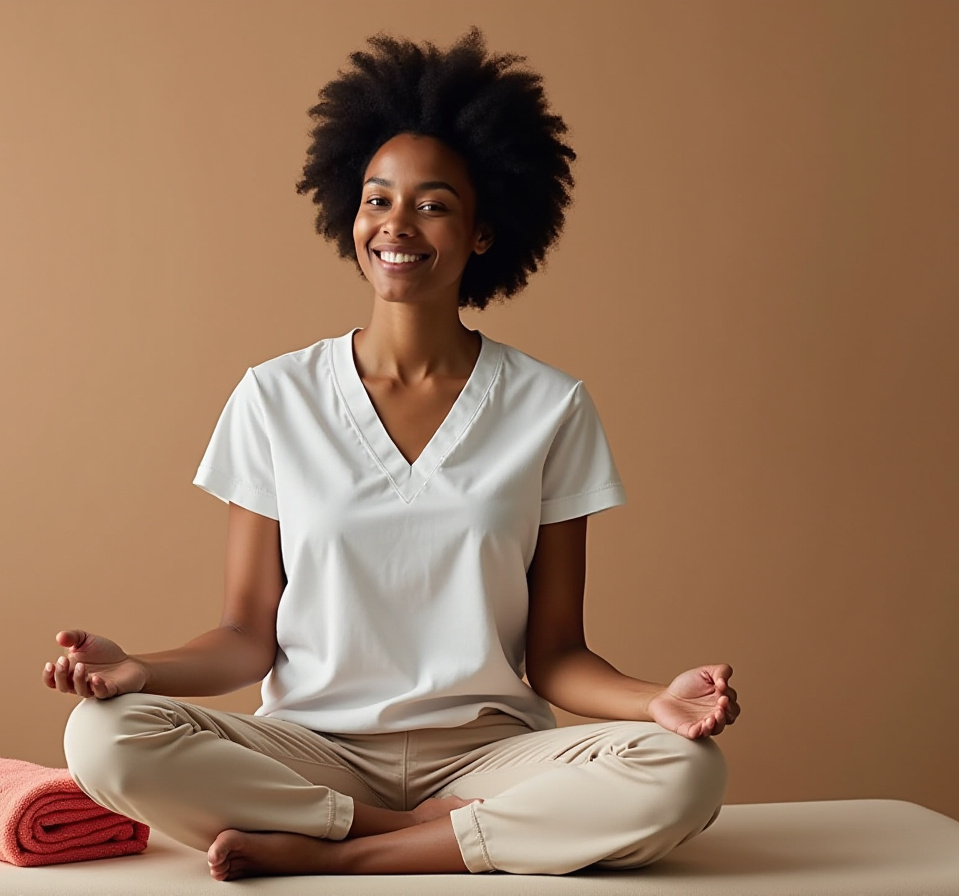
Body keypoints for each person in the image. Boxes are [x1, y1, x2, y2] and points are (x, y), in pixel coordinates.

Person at [41, 27, 740, 881]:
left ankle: (345, 856)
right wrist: (143, 667)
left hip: (490, 755)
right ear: (350, 211)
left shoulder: (550, 406)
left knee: (684, 769)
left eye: (433, 203)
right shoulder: (276, 396)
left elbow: (556, 654)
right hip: (312, 747)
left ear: (484, 232)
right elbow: (244, 636)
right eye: (377, 199)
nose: (396, 225)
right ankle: (408, 831)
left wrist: (654, 701)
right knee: (102, 737)